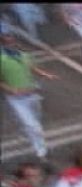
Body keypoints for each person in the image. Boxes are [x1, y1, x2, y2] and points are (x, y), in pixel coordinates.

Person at [0, 25, 57, 159]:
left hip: (32, 93)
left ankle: (33, 136)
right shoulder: (1, 60)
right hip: (16, 99)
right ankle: (40, 147)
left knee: (35, 121)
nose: (10, 42)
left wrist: (46, 74)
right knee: (32, 125)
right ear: (2, 42)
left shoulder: (25, 55)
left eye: (11, 39)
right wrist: (11, 89)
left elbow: (32, 68)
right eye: (7, 40)